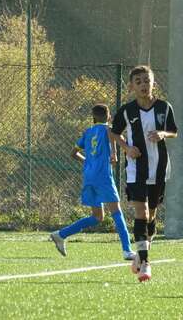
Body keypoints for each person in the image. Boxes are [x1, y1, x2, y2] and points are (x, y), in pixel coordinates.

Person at [111, 65, 178, 281]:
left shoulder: (164, 107)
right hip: (135, 169)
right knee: (142, 213)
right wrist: (126, 148)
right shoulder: (126, 111)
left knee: (153, 216)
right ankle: (146, 263)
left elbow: (174, 132)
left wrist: (162, 133)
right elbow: (113, 133)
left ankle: (139, 255)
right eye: (138, 81)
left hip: (158, 168)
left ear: (153, 83)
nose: (143, 85)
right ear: (131, 86)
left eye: (146, 81)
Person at [50, 104, 135, 261]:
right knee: (117, 212)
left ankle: (60, 235)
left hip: (89, 176)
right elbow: (114, 136)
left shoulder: (88, 132)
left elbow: (73, 153)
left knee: (97, 217)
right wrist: (115, 153)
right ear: (109, 117)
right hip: (103, 177)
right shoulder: (109, 129)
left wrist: (88, 162)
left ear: (93, 118)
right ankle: (127, 250)